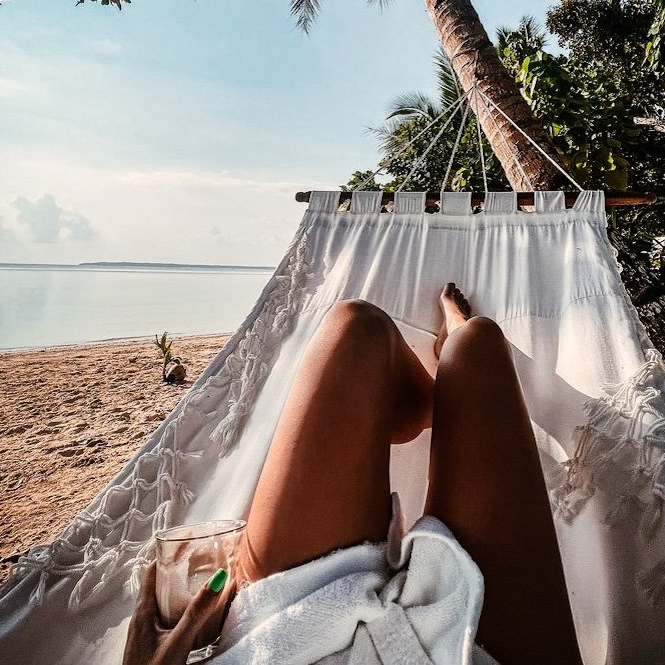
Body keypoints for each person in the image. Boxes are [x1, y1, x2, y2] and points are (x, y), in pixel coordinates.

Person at [123, 285, 583, 665]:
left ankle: (416, 400)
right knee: (479, 343)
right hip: (473, 654)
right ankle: (451, 352)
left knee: (358, 326)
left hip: (288, 641)